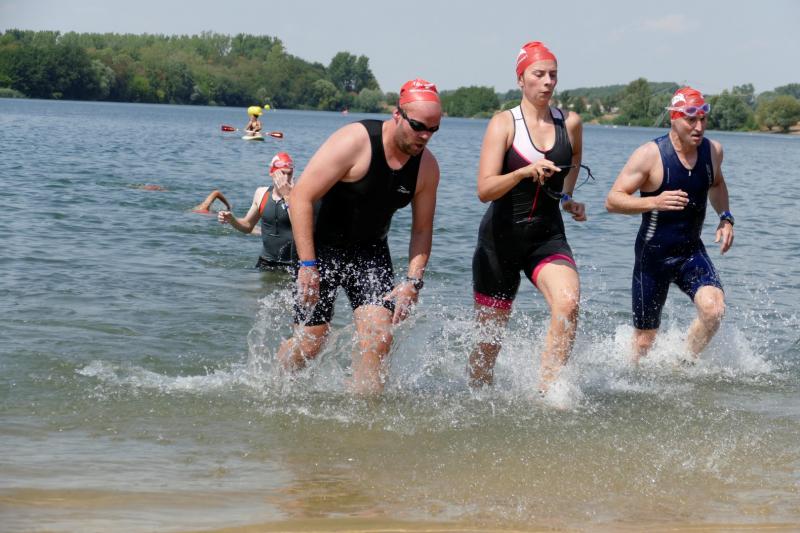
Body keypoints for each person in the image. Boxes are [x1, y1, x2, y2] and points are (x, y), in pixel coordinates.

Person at [276, 78, 442, 394]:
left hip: (370, 250)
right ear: (398, 115)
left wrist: (413, 281)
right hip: (320, 247)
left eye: (433, 129)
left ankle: (364, 414)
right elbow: (301, 197)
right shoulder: (355, 141)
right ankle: (275, 384)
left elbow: (421, 229)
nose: (425, 136)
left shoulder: (426, 168)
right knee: (311, 343)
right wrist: (308, 265)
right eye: (419, 126)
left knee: (380, 338)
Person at [467, 41, 587, 393]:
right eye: (539, 74)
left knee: (568, 302)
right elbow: (484, 190)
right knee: (488, 345)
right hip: (499, 241)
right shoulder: (504, 124)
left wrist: (567, 197)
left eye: (553, 75)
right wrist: (521, 173)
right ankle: (477, 402)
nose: (548, 81)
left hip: (546, 237)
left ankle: (547, 393)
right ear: (521, 79)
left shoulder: (570, 122)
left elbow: (574, 157)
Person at [605, 87, 734, 364]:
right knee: (644, 341)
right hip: (653, 257)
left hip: (690, 251)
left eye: (703, 119)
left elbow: (717, 184)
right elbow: (613, 200)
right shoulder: (649, 155)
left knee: (714, 310)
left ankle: (682, 364)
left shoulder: (713, 151)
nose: (699, 127)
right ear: (674, 118)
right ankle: (632, 379)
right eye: (691, 120)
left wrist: (725, 217)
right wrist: (654, 202)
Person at [218, 152, 297, 271]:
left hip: (291, 264)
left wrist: (287, 196)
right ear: (272, 172)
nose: (285, 178)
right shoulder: (261, 194)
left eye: (289, 174)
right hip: (265, 262)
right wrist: (232, 219)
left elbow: (299, 226)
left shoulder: (298, 195)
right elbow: (247, 226)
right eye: (282, 173)